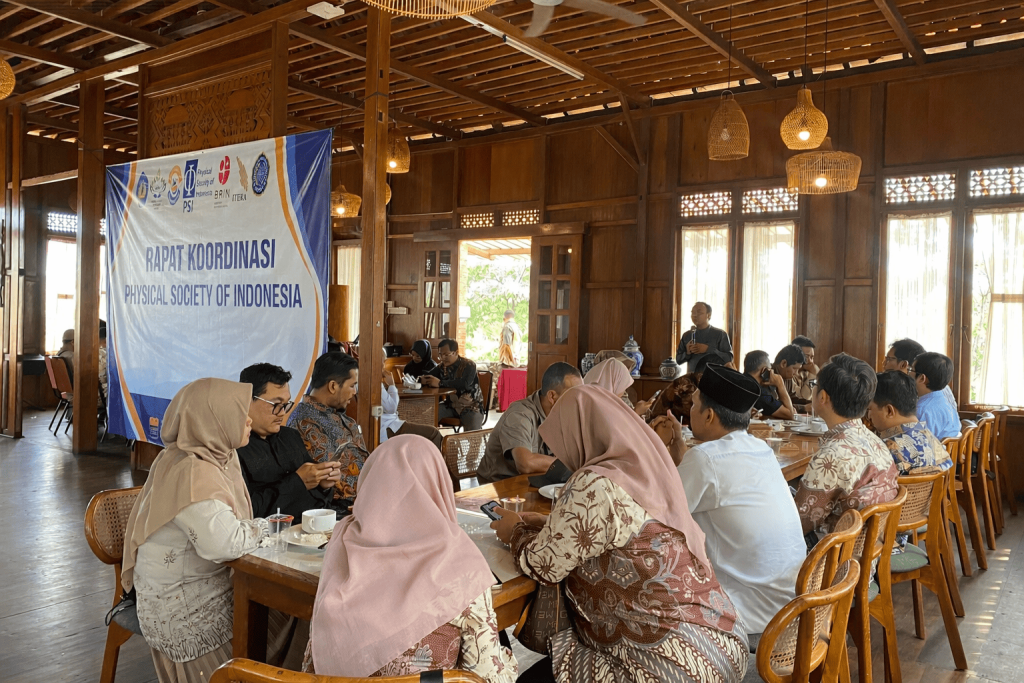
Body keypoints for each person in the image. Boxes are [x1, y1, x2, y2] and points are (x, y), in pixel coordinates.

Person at [490, 385, 748, 682]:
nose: (561, 454)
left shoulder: (592, 483)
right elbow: (622, 530)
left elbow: (543, 565)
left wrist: (515, 530)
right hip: (723, 645)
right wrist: (549, 523)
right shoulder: (649, 471)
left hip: (669, 668)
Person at [307, 435, 517, 681]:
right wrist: (509, 661)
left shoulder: (343, 543)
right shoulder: (460, 564)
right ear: (439, 485)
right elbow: (487, 676)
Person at [121, 378, 270, 682]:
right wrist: (268, 527)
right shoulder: (192, 469)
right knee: (290, 612)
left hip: (199, 584)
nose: (249, 420)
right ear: (212, 419)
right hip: (183, 609)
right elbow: (224, 544)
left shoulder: (211, 455)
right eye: (239, 413)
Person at [670, 364, 806, 646]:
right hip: (792, 603)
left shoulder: (706, 459)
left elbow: (659, 515)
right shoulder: (761, 448)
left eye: (693, 405)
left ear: (709, 415)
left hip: (751, 616)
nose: (690, 411)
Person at [793, 353, 899, 542]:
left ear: (823, 397)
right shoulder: (876, 441)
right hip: (871, 548)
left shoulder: (831, 457)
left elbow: (797, 525)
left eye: (815, 385)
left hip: (834, 553)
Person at [236, 363, 341, 520]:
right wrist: (298, 483)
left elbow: (318, 498)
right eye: (276, 405)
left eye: (286, 405)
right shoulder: (234, 447)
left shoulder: (290, 437)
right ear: (247, 400)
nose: (282, 413)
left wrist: (323, 483)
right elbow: (246, 510)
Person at [477, 362, 582, 483]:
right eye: (575, 395)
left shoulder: (565, 413)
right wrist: (571, 465)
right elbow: (525, 463)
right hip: (500, 485)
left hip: (536, 480)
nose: (580, 401)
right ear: (552, 397)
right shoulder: (519, 415)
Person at [288, 352, 368, 505]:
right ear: (333, 386)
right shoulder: (305, 422)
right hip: (342, 507)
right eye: (352, 385)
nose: (355, 392)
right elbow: (333, 481)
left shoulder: (340, 415)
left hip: (366, 497)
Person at [867, 370, 952, 475]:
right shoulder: (933, 441)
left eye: (870, 409)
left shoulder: (883, 449)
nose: (869, 415)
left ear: (889, 411)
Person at [420, 338, 485, 431]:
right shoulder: (441, 367)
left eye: (446, 354)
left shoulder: (469, 365)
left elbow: (465, 384)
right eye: (440, 355)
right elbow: (429, 375)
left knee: (472, 431)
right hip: (451, 406)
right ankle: (430, 440)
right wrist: (423, 379)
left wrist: (440, 383)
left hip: (471, 407)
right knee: (427, 416)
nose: (443, 358)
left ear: (456, 352)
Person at [381, 366, 443, 449]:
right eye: (381, 362)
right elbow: (391, 408)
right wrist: (392, 385)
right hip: (389, 427)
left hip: (391, 423)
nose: (383, 366)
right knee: (434, 434)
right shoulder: (374, 382)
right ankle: (435, 458)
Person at [912, 352, 961, 440]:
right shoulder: (945, 401)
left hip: (934, 449)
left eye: (911, 370)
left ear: (922, 378)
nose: (908, 373)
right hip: (948, 448)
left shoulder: (922, 410)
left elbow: (917, 442)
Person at [675, 301, 734, 372]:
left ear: (708, 315)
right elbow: (678, 360)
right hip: (693, 377)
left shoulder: (720, 334)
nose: (695, 315)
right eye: (693, 312)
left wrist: (708, 349)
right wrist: (687, 353)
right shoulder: (687, 335)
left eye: (699, 312)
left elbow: (729, 358)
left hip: (714, 376)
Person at [582, 358, 651, 416]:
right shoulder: (598, 409)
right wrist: (636, 412)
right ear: (613, 384)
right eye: (622, 388)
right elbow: (616, 426)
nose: (623, 392)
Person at [744, 350, 797, 420]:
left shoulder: (743, 381)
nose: (772, 372)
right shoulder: (758, 391)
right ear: (764, 370)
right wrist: (780, 385)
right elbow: (790, 415)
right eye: (770, 369)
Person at [787, 335, 818, 407]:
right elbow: (804, 399)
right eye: (806, 356)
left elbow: (814, 397)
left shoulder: (806, 373)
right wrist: (813, 375)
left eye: (812, 357)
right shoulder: (788, 375)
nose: (810, 361)